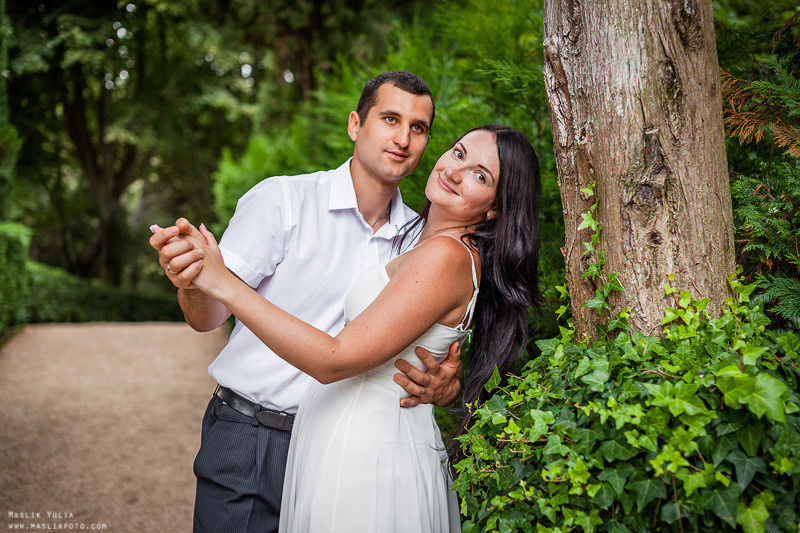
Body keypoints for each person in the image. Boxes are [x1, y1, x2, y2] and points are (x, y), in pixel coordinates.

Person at [167, 124, 542, 532]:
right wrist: (447, 383)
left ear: (496, 207)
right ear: (355, 124)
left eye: (480, 175)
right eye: (458, 153)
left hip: (368, 451)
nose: (454, 171)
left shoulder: (446, 256)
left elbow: (336, 359)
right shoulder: (411, 237)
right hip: (294, 437)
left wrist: (223, 282)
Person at [149, 71, 464, 533]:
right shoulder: (283, 201)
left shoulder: (421, 244)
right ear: (355, 124)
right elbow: (207, 317)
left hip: (349, 455)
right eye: (390, 119)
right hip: (255, 439)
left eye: (418, 128)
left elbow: (433, 350)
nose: (403, 138)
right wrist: (193, 281)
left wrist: (444, 386)